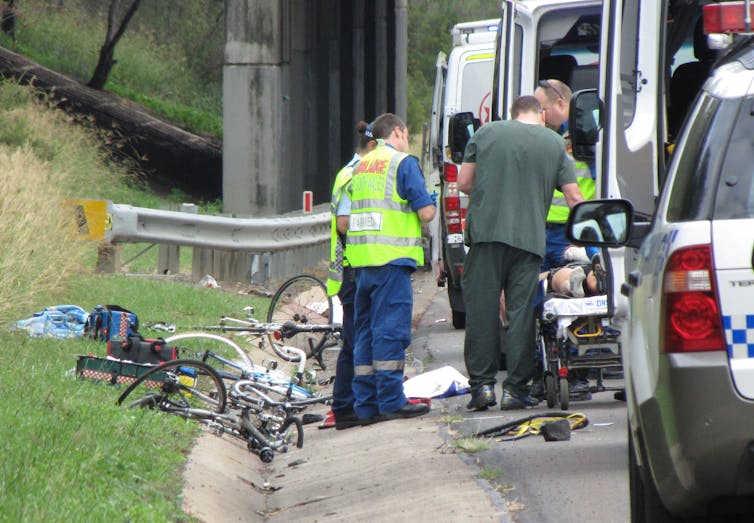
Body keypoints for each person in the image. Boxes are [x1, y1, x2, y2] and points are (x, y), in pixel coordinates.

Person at [459, 95, 584, 411]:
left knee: (482, 312)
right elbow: (573, 196)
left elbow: (464, 182)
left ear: (513, 114)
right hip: (528, 241)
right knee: (522, 314)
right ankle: (515, 390)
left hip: (485, 236)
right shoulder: (553, 143)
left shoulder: (485, 133)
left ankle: (482, 388)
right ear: (541, 115)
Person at [344, 112, 436, 423]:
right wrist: (429, 199)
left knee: (366, 333)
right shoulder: (402, 163)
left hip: (363, 263)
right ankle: (392, 400)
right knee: (390, 332)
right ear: (397, 132)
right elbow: (426, 213)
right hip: (391, 260)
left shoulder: (362, 164)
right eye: (407, 136)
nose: (407, 143)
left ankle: (366, 405)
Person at [534, 78, 599, 397]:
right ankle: (543, 370)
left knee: (576, 300)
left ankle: (578, 375)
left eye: (542, 109)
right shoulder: (544, 140)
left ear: (562, 104)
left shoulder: (587, 138)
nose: (540, 116)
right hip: (540, 230)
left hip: (571, 233)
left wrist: (588, 237)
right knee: (542, 302)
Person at [320, 120, 378, 430]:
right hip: (352, 270)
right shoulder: (354, 174)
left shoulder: (354, 172)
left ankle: (347, 405)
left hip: (353, 269)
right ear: (371, 147)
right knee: (356, 341)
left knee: (354, 341)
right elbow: (344, 223)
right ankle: (345, 406)